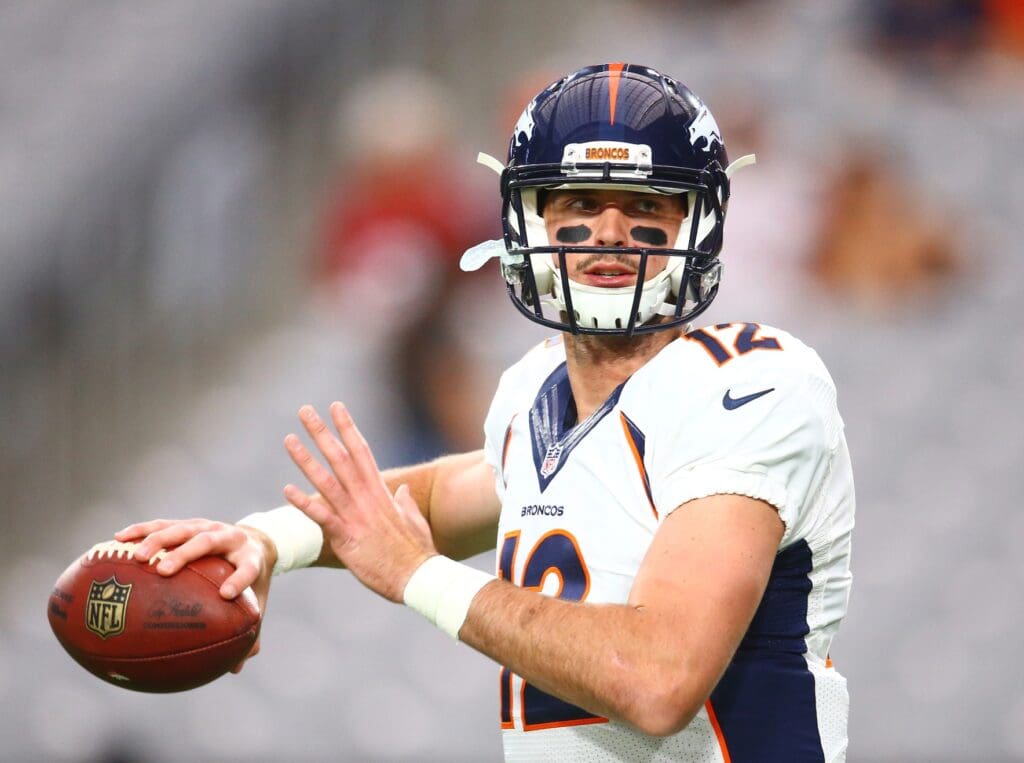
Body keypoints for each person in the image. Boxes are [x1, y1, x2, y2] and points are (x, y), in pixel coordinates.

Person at [117, 63, 855, 761]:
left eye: (645, 205)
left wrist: (418, 575)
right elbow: (442, 494)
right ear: (528, 220)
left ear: (700, 224)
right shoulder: (538, 388)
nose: (608, 231)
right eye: (577, 203)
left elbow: (657, 679)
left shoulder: (752, 384)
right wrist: (265, 538)